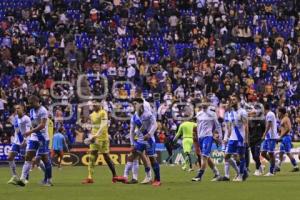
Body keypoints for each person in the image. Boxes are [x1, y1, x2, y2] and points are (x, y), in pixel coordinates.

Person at [119, 99, 161, 186]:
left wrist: (149, 134)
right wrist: (132, 143)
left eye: (135, 103)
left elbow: (155, 124)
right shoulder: (134, 117)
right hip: (140, 140)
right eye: (133, 104)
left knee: (152, 159)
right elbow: (131, 131)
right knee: (132, 155)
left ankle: (157, 179)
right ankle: (125, 177)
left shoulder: (148, 114)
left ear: (141, 104)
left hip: (149, 140)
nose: (134, 105)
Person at [82, 101, 122, 184]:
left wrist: (96, 135)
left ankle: (114, 175)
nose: (94, 106)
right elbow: (92, 126)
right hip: (95, 139)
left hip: (103, 138)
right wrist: (90, 136)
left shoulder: (103, 113)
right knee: (92, 156)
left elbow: (103, 125)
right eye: (93, 104)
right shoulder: (92, 115)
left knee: (106, 157)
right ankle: (90, 177)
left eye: (95, 104)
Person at [16, 95, 53, 186]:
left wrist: (30, 131)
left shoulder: (43, 110)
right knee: (28, 157)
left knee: (44, 159)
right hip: (34, 137)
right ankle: (22, 179)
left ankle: (49, 180)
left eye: (31, 103)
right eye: (29, 103)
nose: (30, 105)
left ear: (37, 102)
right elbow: (33, 123)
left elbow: (43, 125)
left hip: (43, 138)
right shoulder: (32, 110)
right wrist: (29, 134)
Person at [219, 95, 249, 182]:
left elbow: (246, 126)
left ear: (238, 101)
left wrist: (246, 139)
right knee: (227, 156)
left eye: (234, 99)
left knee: (241, 157)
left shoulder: (242, 112)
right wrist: (227, 138)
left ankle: (241, 175)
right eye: (231, 99)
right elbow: (229, 127)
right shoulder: (231, 113)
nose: (232, 101)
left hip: (240, 138)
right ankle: (243, 171)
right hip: (232, 138)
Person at [192, 99, 222, 182]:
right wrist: (196, 137)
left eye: (206, 102)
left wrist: (219, 137)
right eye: (202, 102)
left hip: (208, 137)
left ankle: (199, 176)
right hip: (200, 138)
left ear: (209, 104)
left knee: (204, 156)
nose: (204, 103)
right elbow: (198, 126)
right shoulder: (198, 114)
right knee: (207, 157)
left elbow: (218, 126)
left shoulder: (212, 114)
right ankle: (217, 174)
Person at [7, 104, 31, 185]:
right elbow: (16, 130)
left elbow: (28, 130)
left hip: (25, 142)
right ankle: (14, 176)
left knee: (26, 159)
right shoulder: (16, 118)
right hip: (17, 142)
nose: (17, 110)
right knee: (10, 157)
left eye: (18, 108)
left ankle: (26, 178)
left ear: (23, 109)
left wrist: (24, 141)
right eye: (16, 108)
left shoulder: (27, 118)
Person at [277, 107, 299, 172]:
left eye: (278, 112)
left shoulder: (285, 119)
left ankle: (296, 166)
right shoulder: (284, 119)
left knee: (288, 152)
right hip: (284, 137)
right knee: (281, 152)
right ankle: (278, 166)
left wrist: (281, 136)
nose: (278, 113)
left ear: (281, 112)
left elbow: (288, 128)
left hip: (286, 137)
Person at [260, 104, 279, 176]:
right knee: (263, 153)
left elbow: (269, 125)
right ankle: (274, 164)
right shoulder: (267, 115)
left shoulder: (270, 114)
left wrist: (264, 134)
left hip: (271, 136)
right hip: (267, 137)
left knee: (271, 153)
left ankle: (271, 171)